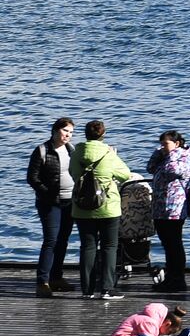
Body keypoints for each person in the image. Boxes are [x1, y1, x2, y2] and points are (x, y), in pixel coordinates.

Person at [70, 120, 133, 300]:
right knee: (109, 247)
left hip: (82, 207)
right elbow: (125, 174)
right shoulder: (108, 153)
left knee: (87, 247)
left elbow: (73, 173)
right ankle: (107, 288)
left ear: (85, 134)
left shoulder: (76, 153)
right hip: (108, 207)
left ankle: (87, 290)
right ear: (103, 134)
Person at [28, 117, 77, 297]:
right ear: (56, 130)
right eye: (65, 131)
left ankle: (57, 277)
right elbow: (32, 178)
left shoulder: (71, 150)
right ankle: (42, 281)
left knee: (63, 240)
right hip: (49, 203)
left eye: (71, 132)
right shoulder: (42, 150)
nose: (68, 135)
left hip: (69, 201)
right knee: (51, 240)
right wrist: (47, 193)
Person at [148, 130, 190, 293]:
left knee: (174, 244)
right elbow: (150, 168)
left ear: (176, 144)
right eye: (161, 144)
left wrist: (172, 153)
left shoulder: (183, 157)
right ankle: (170, 277)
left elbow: (172, 170)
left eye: (165, 144)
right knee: (167, 244)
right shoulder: (164, 156)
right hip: (161, 206)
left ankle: (177, 279)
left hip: (175, 208)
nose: (162, 147)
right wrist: (159, 152)